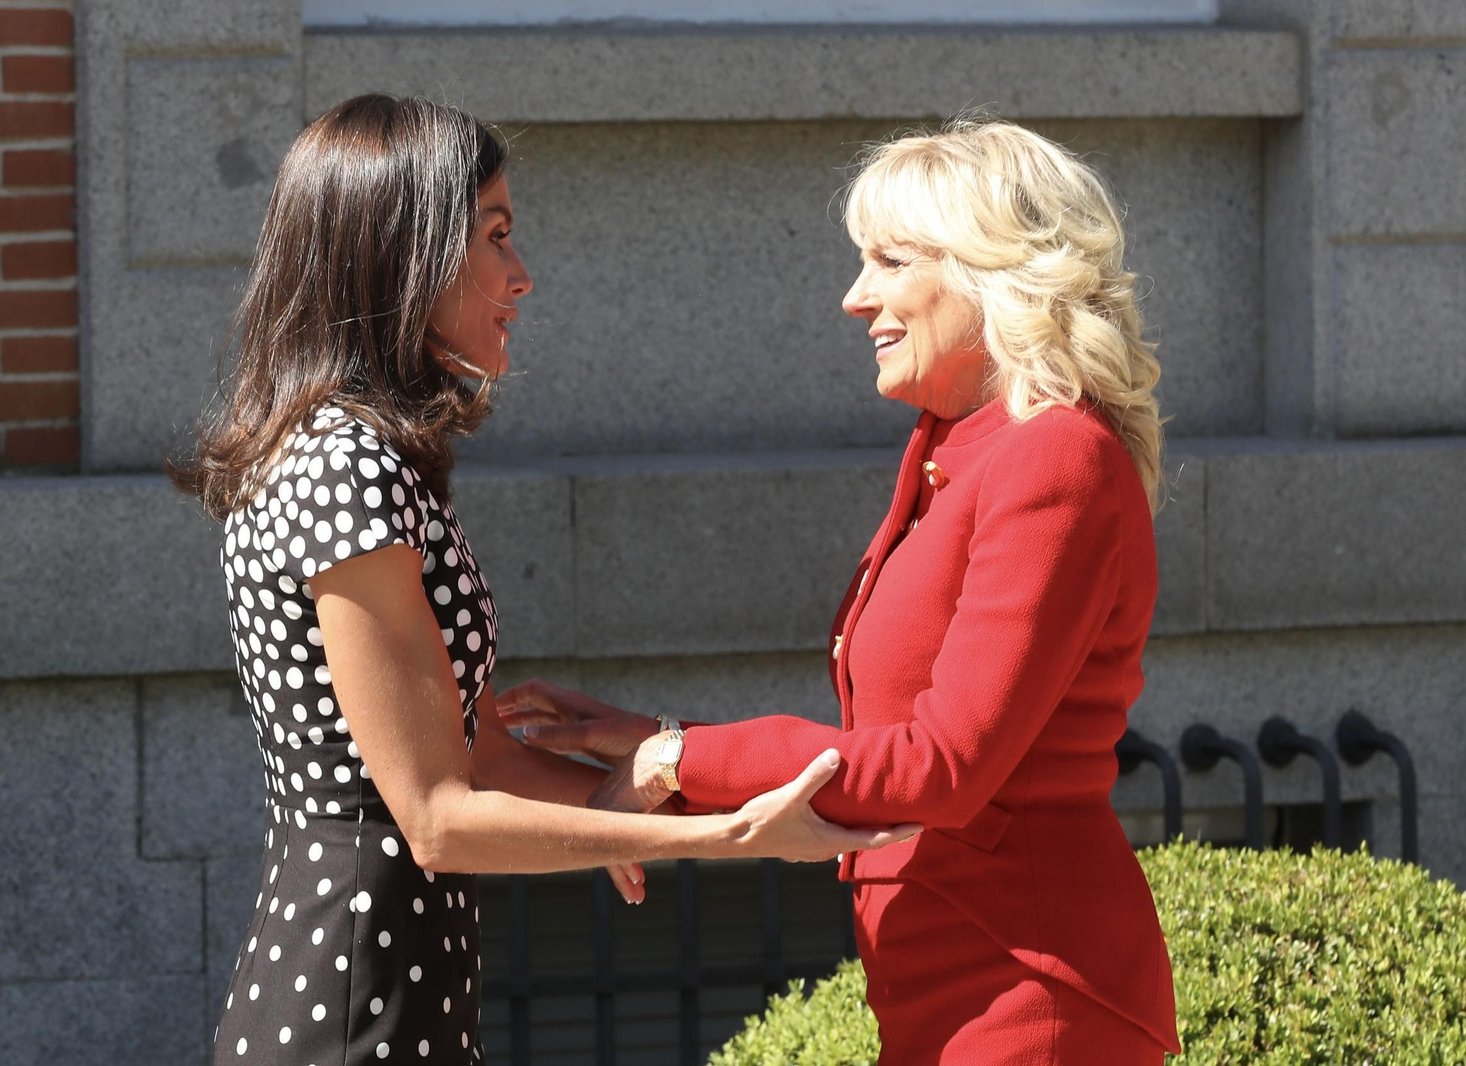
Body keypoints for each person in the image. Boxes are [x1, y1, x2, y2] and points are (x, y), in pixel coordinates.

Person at [167, 93, 917, 1066]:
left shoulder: (354, 456)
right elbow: (436, 819)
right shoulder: (341, 465)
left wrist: (648, 790)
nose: (520, 273)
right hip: (351, 1005)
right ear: (405, 250)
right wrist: (728, 838)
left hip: (388, 984)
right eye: (495, 235)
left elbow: (477, 755)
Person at [499, 119, 1182, 1064]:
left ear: (993, 273)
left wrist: (676, 762)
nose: (856, 298)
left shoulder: (1054, 454)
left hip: (1030, 994)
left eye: (890, 262)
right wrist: (661, 742)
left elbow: (942, 766)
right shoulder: (955, 444)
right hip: (946, 987)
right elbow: (882, 745)